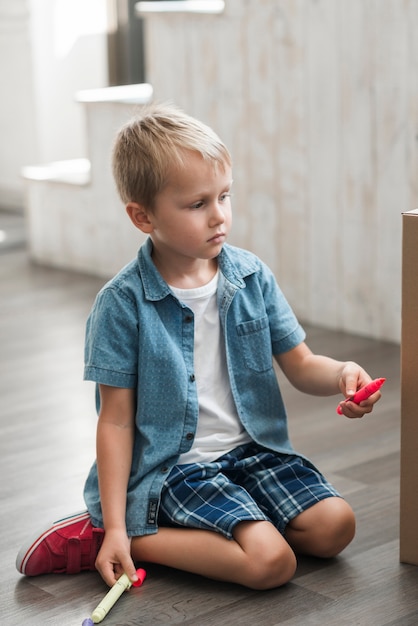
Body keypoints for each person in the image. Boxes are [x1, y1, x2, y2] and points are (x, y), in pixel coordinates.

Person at [16, 103, 382, 591]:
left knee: (336, 526)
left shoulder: (251, 276)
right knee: (272, 564)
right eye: (197, 205)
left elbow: (302, 364)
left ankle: (222, 527)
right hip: (177, 468)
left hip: (254, 453)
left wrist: (341, 375)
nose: (219, 217)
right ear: (142, 216)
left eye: (224, 196)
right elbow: (116, 420)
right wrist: (120, 524)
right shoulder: (121, 305)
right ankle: (107, 532)